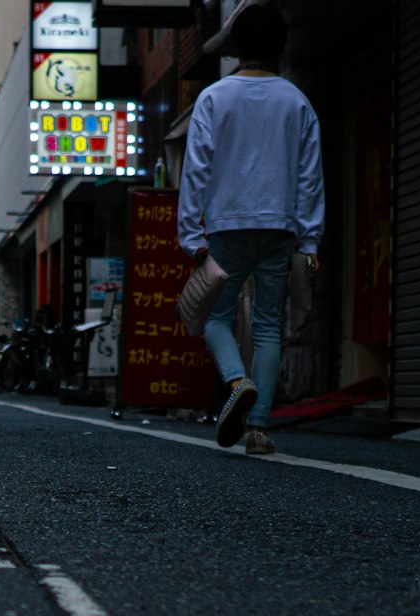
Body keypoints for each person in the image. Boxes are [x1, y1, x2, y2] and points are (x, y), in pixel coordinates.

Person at [178, 3, 323, 455]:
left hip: (227, 225)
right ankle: (258, 430)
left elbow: (196, 169)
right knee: (266, 327)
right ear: (279, 46)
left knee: (216, 317)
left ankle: (237, 381)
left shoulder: (214, 98)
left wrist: (191, 233)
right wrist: (311, 237)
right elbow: (309, 175)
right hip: (280, 227)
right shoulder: (297, 101)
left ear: (236, 46)